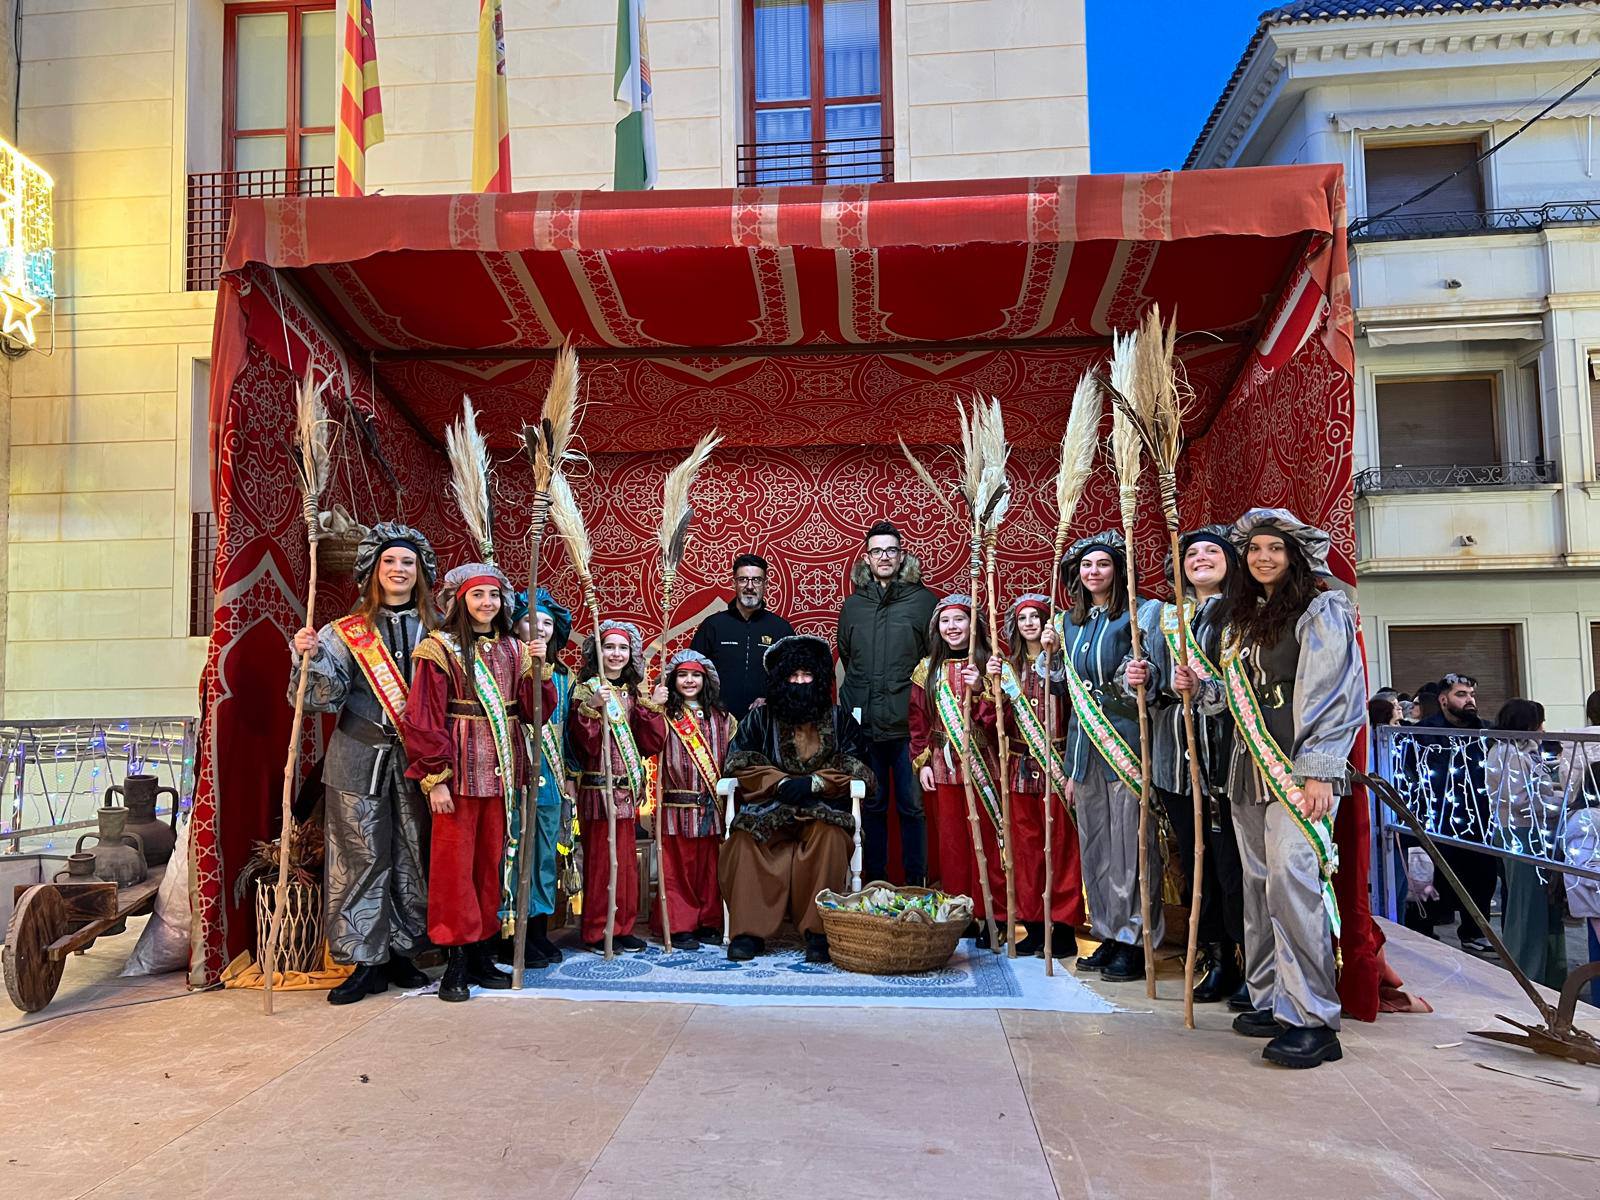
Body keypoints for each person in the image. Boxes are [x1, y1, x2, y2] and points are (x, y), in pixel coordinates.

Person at [1183, 508, 1365, 1069]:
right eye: (1255, 548)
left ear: (1295, 555)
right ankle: (1270, 997)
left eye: (1275, 548)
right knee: (1259, 889)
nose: (1263, 557)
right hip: (1245, 770)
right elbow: (1233, 699)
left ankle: (1313, 1019)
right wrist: (1200, 688)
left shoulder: (1320, 608)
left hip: (1295, 771)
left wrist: (1320, 770)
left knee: (1292, 886)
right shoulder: (1242, 619)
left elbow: (1335, 694)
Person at [291, 522, 439, 1005]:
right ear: (373, 569)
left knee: (413, 855)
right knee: (359, 857)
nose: (398, 569)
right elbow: (320, 698)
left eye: (408, 562)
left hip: (419, 764)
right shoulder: (342, 632)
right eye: (389, 561)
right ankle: (365, 962)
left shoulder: (439, 631)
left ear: (420, 572)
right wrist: (308, 657)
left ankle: (402, 953)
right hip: (357, 758)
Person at [403, 561, 555, 1002]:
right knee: (453, 870)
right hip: (458, 774)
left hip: (503, 773)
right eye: (477, 595)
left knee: (493, 865)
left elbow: (535, 712)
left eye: (493, 595)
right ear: (460, 600)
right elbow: (424, 716)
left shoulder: (516, 649)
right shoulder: (439, 648)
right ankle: (457, 957)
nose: (487, 603)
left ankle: (483, 951)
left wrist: (540, 669)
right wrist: (436, 778)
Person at [1137, 525, 1245, 1004]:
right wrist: (1138, 675)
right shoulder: (1165, 617)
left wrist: (1204, 690)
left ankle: (1246, 960)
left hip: (1225, 761)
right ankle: (1212, 956)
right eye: (1191, 552)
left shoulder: (1241, 613)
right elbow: (1149, 675)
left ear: (1230, 561)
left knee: (1230, 868)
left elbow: (1246, 688)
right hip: (1174, 763)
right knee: (1193, 864)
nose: (1200, 557)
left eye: (1210, 551)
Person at [720, 634, 875, 963]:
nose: (801, 682)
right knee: (743, 842)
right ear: (781, 680)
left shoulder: (840, 719)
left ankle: (819, 934)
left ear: (819, 679)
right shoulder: (759, 719)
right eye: (793, 675)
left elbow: (859, 768)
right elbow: (738, 763)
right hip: (768, 809)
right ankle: (748, 934)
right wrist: (778, 783)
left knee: (831, 838)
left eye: (807, 675)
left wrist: (816, 783)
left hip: (821, 810)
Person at [1057, 531, 1163, 984]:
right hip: (1084, 750)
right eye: (1086, 565)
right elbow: (1063, 688)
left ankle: (1134, 939)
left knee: (1130, 849)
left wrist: (1143, 675)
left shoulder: (1142, 614)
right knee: (1096, 847)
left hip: (1126, 746)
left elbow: (1157, 672)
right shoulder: (1068, 622)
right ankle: (1106, 931)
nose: (1094, 571)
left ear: (1118, 569)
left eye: (1102, 563)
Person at [837, 519, 938, 887]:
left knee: (913, 808)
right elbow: (848, 656)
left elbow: (933, 661)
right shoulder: (853, 606)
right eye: (877, 551)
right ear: (866, 558)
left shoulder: (924, 602)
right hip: (865, 726)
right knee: (872, 807)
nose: (884, 557)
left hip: (910, 728)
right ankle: (874, 882)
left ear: (901, 556)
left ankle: (916, 883)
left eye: (891, 550)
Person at [985, 593, 1084, 959]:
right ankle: (1035, 926)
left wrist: (1073, 769)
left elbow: (1078, 717)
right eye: (1023, 617)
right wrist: (989, 688)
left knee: (1061, 850)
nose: (1029, 623)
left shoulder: (1064, 665)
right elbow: (991, 721)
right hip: (1018, 768)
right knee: (1026, 853)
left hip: (1057, 764)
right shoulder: (1006, 668)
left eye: (1036, 617)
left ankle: (1064, 928)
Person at [910, 594, 1005, 946]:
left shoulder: (991, 665)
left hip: (984, 765)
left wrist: (980, 690)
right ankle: (960, 912)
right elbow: (918, 721)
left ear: (973, 624)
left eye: (959, 620)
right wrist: (921, 762)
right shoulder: (926, 669)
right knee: (951, 844)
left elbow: (1000, 722)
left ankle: (994, 915)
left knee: (987, 842)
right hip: (942, 766)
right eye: (945, 621)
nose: (952, 627)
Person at [633, 649, 735, 950]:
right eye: (682, 675)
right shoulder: (666, 714)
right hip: (676, 807)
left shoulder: (723, 718)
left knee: (709, 869)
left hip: (712, 807)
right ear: (672, 680)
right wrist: (654, 706)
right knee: (678, 869)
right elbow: (647, 744)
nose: (689, 681)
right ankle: (680, 925)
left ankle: (708, 921)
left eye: (695, 676)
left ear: (706, 680)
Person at [499, 588, 574, 968]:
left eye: (547, 622)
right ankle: (512, 931)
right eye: (531, 620)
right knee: (515, 854)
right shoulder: (505, 666)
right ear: (515, 625)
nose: (540, 628)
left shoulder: (563, 676)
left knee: (544, 855)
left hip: (551, 775)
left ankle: (539, 929)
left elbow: (569, 731)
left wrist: (570, 776)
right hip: (515, 772)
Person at [568, 621, 651, 953]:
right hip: (598, 792)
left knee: (626, 865)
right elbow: (582, 744)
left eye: (622, 648)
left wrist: (655, 708)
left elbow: (646, 743)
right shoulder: (584, 690)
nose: (616, 654)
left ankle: (623, 926)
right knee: (603, 864)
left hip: (626, 791)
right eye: (609, 647)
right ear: (597, 652)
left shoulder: (632, 693)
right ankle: (598, 930)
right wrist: (593, 708)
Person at [1406, 672, 1496, 953]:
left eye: (1471, 695)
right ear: (1443, 700)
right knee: (1429, 880)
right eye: (1461, 694)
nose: (1469, 700)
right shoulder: (1423, 733)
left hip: (1478, 819)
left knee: (1481, 878)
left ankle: (1474, 932)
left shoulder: (1486, 731)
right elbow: (1409, 772)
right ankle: (1422, 936)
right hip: (1435, 820)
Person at [1485, 698, 1568, 990]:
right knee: (1526, 908)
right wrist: (1558, 805)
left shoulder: (1522, 751)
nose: (1543, 729)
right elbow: (1520, 800)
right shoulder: (1508, 753)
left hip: (1530, 832)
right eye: (1539, 723)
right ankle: (1526, 974)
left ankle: (1548, 973)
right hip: (1521, 833)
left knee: (1543, 906)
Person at [689, 553, 796, 718]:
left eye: (757, 580)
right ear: (734, 583)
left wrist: (771, 699)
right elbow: (692, 669)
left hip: (765, 720)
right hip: (719, 719)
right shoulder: (713, 625)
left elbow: (793, 676)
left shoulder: (781, 629)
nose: (750, 586)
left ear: (765, 584)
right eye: (743, 579)